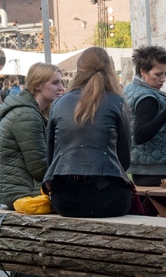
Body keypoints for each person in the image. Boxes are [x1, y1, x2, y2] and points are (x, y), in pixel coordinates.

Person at [43, 47, 132, 218]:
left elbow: (51, 154)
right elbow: (124, 158)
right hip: (107, 197)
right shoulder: (117, 103)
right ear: (110, 70)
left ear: (79, 70)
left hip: (64, 199)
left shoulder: (59, 104)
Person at [0, 63, 65, 210]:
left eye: (62, 82)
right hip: (21, 192)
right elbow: (39, 167)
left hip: (21, 188)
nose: (62, 88)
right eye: (55, 83)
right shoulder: (27, 115)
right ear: (38, 85)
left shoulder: (36, 112)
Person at [122, 45, 166, 186]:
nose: (163, 79)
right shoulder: (147, 97)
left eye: (165, 74)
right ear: (143, 72)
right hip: (157, 171)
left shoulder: (130, 89)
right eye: (158, 74)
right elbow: (141, 135)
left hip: (142, 168)